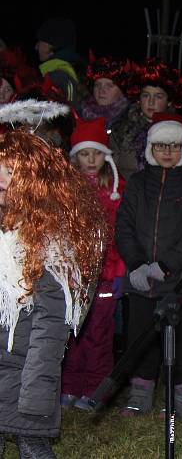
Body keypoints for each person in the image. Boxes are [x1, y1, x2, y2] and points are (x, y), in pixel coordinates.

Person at [0, 127, 106, 458]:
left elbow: (51, 324)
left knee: (31, 443)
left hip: (26, 373)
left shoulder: (50, 244)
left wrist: (36, 391)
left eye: (7, 173)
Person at [115, 113, 182, 417]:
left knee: (177, 341)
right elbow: (124, 226)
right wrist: (138, 264)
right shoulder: (138, 184)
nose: (167, 152)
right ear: (150, 149)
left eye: (173, 146)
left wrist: (167, 265)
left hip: (175, 279)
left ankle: (176, 396)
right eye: (160, 146)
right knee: (140, 338)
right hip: (141, 279)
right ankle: (140, 394)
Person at [60, 117, 126, 411]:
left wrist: (119, 270)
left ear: (106, 155)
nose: (91, 160)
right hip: (73, 276)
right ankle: (70, 386)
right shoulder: (66, 189)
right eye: (84, 154)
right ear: (74, 157)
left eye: (96, 153)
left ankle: (94, 389)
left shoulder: (116, 189)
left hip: (105, 275)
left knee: (99, 332)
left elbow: (124, 233)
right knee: (73, 333)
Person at [110, 58, 182, 180]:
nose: (151, 102)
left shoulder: (180, 133)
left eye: (158, 96)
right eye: (146, 95)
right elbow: (110, 171)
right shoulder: (120, 130)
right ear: (138, 98)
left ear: (169, 101)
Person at [34, 17, 86, 106]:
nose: (36, 47)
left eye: (40, 41)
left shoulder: (57, 77)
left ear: (50, 45)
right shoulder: (73, 70)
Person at [75, 53, 132, 128]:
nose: (101, 91)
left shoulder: (131, 121)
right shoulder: (77, 116)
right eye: (97, 85)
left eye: (109, 86)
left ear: (122, 91)